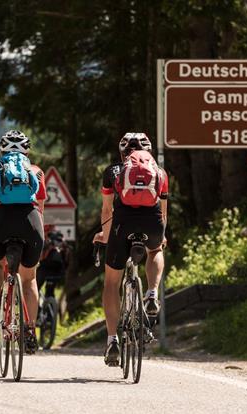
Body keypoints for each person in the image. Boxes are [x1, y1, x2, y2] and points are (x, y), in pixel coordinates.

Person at [93, 132, 168, 366]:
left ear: (122, 152)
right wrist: (161, 236)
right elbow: (163, 211)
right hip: (152, 222)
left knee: (111, 283)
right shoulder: (160, 172)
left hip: (122, 224)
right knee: (155, 251)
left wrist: (106, 236)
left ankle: (113, 340)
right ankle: (152, 292)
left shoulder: (112, 172)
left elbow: (107, 210)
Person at [0, 130, 46, 354]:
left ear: (2, 150)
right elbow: (41, 208)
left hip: (2, 221)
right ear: (27, 151)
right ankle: (30, 330)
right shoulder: (36, 172)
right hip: (30, 222)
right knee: (30, 279)